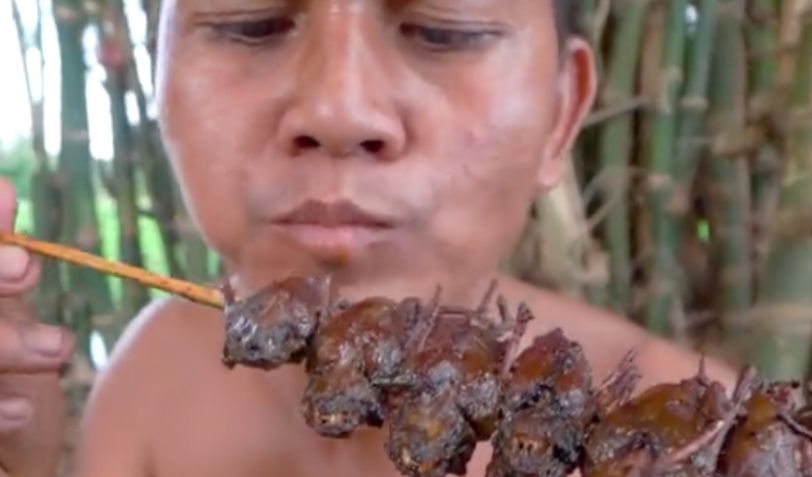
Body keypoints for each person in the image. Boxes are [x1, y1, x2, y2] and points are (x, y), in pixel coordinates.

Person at [0, 0, 738, 476]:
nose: (339, 109)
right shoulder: (150, 386)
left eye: (444, 33)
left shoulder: (700, 438)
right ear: (157, 80)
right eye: (248, 24)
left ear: (561, 114)